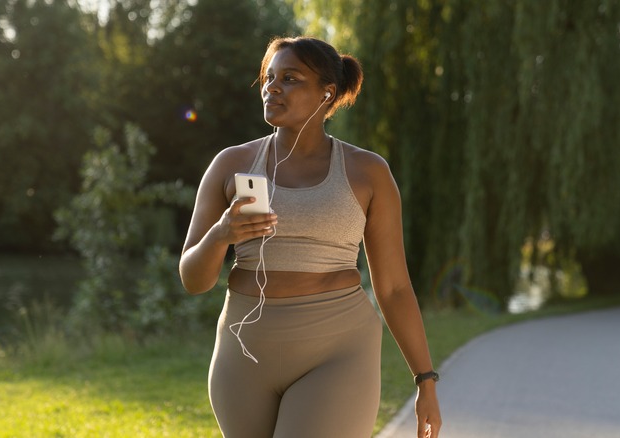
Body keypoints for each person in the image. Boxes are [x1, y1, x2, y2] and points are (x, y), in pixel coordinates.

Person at [179, 36, 442, 438]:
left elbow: (393, 288)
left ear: (326, 93)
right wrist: (221, 235)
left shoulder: (367, 172)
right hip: (243, 352)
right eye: (269, 78)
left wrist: (425, 379)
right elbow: (193, 281)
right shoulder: (231, 164)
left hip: (336, 351)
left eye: (290, 78)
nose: (272, 87)